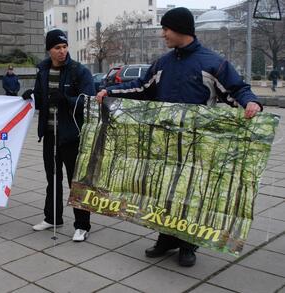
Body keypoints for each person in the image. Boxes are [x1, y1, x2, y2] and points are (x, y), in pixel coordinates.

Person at [96, 7, 262, 266]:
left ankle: (188, 244)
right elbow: (141, 87)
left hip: (197, 146)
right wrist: (111, 91)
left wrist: (250, 102)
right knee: (164, 191)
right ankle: (166, 237)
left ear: (181, 30)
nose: (163, 34)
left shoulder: (212, 62)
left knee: (190, 193)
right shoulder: (163, 63)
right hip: (164, 144)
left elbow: (236, 90)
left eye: (166, 29)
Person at [22, 29, 95, 241]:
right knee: (52, 179)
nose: (62, 51)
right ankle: (53, 217)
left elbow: (88, 101)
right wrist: (32, 96)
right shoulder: (43, 70)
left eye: (64, 47)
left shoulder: (78, 71)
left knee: (76, 182)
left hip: (72, 136)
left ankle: (82, 225)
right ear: (49, 50)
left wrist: (66, 99)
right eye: (57, 48)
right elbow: (41, 96)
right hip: (50, 134)